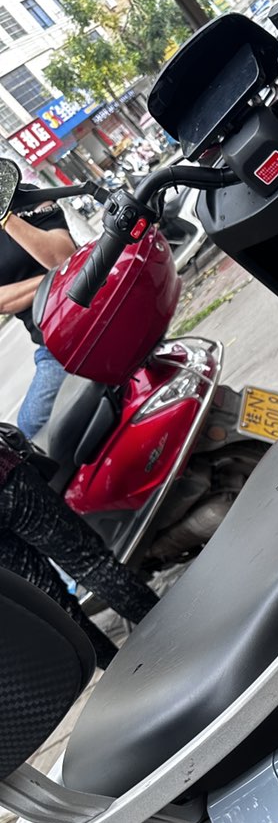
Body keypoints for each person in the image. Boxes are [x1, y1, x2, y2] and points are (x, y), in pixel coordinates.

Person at [0, 423, 158, 667]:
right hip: (8, 484)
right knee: (92, 565)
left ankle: (126, 673)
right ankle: (176, 634)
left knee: (53, 605)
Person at [0, 183, 77, 441]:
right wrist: (58, 278)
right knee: (29, 429)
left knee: (32, 425)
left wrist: (5, 216)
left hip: (93, 312)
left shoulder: (26, 196)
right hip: (52, 342)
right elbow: (2, 301)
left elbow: (62, 256)